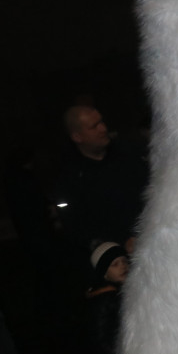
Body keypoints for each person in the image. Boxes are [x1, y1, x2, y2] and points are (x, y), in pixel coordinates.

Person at [51, 106, 149, 254]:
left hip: (154, 234)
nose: (103, 129)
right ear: (77, 136)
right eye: (94, 126)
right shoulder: (70, 177)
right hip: (117, 255)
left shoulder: (129, 153)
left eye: (101, 122)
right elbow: (75, 224)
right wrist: (120, 241)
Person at [84, 242, 130, 354]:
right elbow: (104, 339)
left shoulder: (120, 294)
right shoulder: (106, 300)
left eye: (124, 261)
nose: (123, 266)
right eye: (115, 264)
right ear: (104, 273)